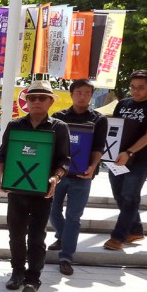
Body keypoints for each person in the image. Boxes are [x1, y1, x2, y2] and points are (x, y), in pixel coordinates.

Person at [0, 80, 70, 292]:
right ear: (26, 101)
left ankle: (32, 279)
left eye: (41, 98)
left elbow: (64, 161)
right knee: (16, 234)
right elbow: (3, 156)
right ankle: (17, 272)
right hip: (17, 190)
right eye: (32, 97)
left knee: (37, 237)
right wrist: (1, 176)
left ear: (50, 101)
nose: (36, 101)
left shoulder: (59, 127)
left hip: (42, 192)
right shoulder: (15, 125)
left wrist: (55, 178)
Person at [103, 70, 147, 251]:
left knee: (130, 197)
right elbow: (114, 130)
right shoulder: (123, 103)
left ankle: (118, 236)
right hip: (116, 158)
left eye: (141, 88)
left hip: (139, 160)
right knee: (119, 196)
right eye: (133, 87)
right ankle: (136, 229)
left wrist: (129, 153)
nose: (136, 91)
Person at [49, 79, 107, 274]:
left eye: (87, 93)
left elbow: (98, 147)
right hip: (58, 174)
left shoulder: (99, 119)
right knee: (52, 210)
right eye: (79, 92)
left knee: (74, 217)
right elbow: (53, 146)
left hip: (83, 175)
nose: (83, 96)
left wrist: (92, 167)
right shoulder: (59, 117)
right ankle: (63, 236)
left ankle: (66, 256)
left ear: (91, 96)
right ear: (72, 94)